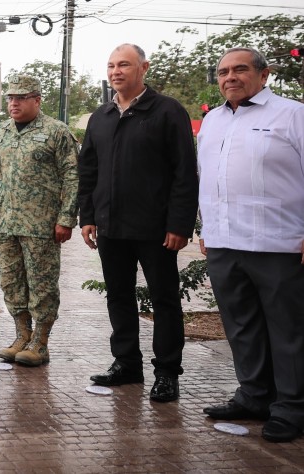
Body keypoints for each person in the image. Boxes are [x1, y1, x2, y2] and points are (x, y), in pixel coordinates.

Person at [78, 43, 198, 403]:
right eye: (111, 65)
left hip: (156, 230)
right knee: (119, 296)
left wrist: (179, 224)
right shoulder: (101, 116)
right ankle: (127, 363)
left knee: (164, 300)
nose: (116, 71)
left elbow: (184, 172)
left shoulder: (167, 111)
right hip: (110, 227)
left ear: (143, 68)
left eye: (124, 65)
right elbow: (88, 171)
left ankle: (167, 372)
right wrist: (88, 217)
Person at [197, 47, 304, 443]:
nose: (230, 77)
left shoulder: (292, 114)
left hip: (279, 243)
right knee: (241, 327)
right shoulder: (212, 120)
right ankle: (255, 396)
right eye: (223, 71)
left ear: (264, 75)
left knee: (288, 330)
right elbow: (207, 177)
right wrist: (208, 228)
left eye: (240, 69)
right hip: (224, 242)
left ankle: (292, 407)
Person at [0, 75, 78, 364]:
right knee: (11, 283)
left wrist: (66, 218)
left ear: (37, 100)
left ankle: (41, 342)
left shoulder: (56, 132)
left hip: (42, 226)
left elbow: (72, 177)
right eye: (10, 97)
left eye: (21, 97)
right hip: (5, 224)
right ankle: (22, 334)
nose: (14, 102)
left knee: (42, 285)